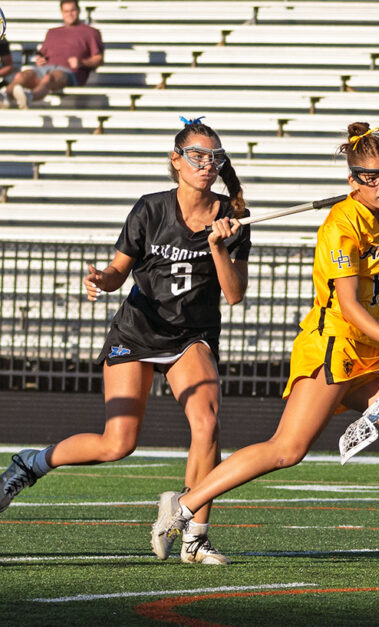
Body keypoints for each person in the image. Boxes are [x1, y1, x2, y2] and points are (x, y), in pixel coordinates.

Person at [149, 122, 379, 571]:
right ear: (353, 181)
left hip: (370, 355)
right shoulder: (340, 228)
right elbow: (347, 307)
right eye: (372, 178)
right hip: (332, 350)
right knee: (287, 449)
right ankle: (185, 504)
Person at [0, 117, 250, 566]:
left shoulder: (231, 220)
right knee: (117, 442)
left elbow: (233, 294)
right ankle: (31, 464)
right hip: (137, 332)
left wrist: (218, 246)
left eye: (214, 158)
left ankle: (194, 536)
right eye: (197, 156)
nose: (206, 165)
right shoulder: (150, 209)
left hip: (191, 337)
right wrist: (101, 278)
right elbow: (118, 272)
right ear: (176, 160)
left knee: (208, 425)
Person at [2, 0, 103, 109]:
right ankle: (4, 98)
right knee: (22, 76)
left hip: (69, 73)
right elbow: (42, 54)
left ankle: (29, 97)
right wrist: (40, 60)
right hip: (45, 69)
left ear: (78, 11)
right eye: (66, 11)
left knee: (49, 78)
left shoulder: (90, 32)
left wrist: (81, 62)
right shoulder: (53, 32)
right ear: (62, 12)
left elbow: (99, 59)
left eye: (72, 10)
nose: (69, 14)